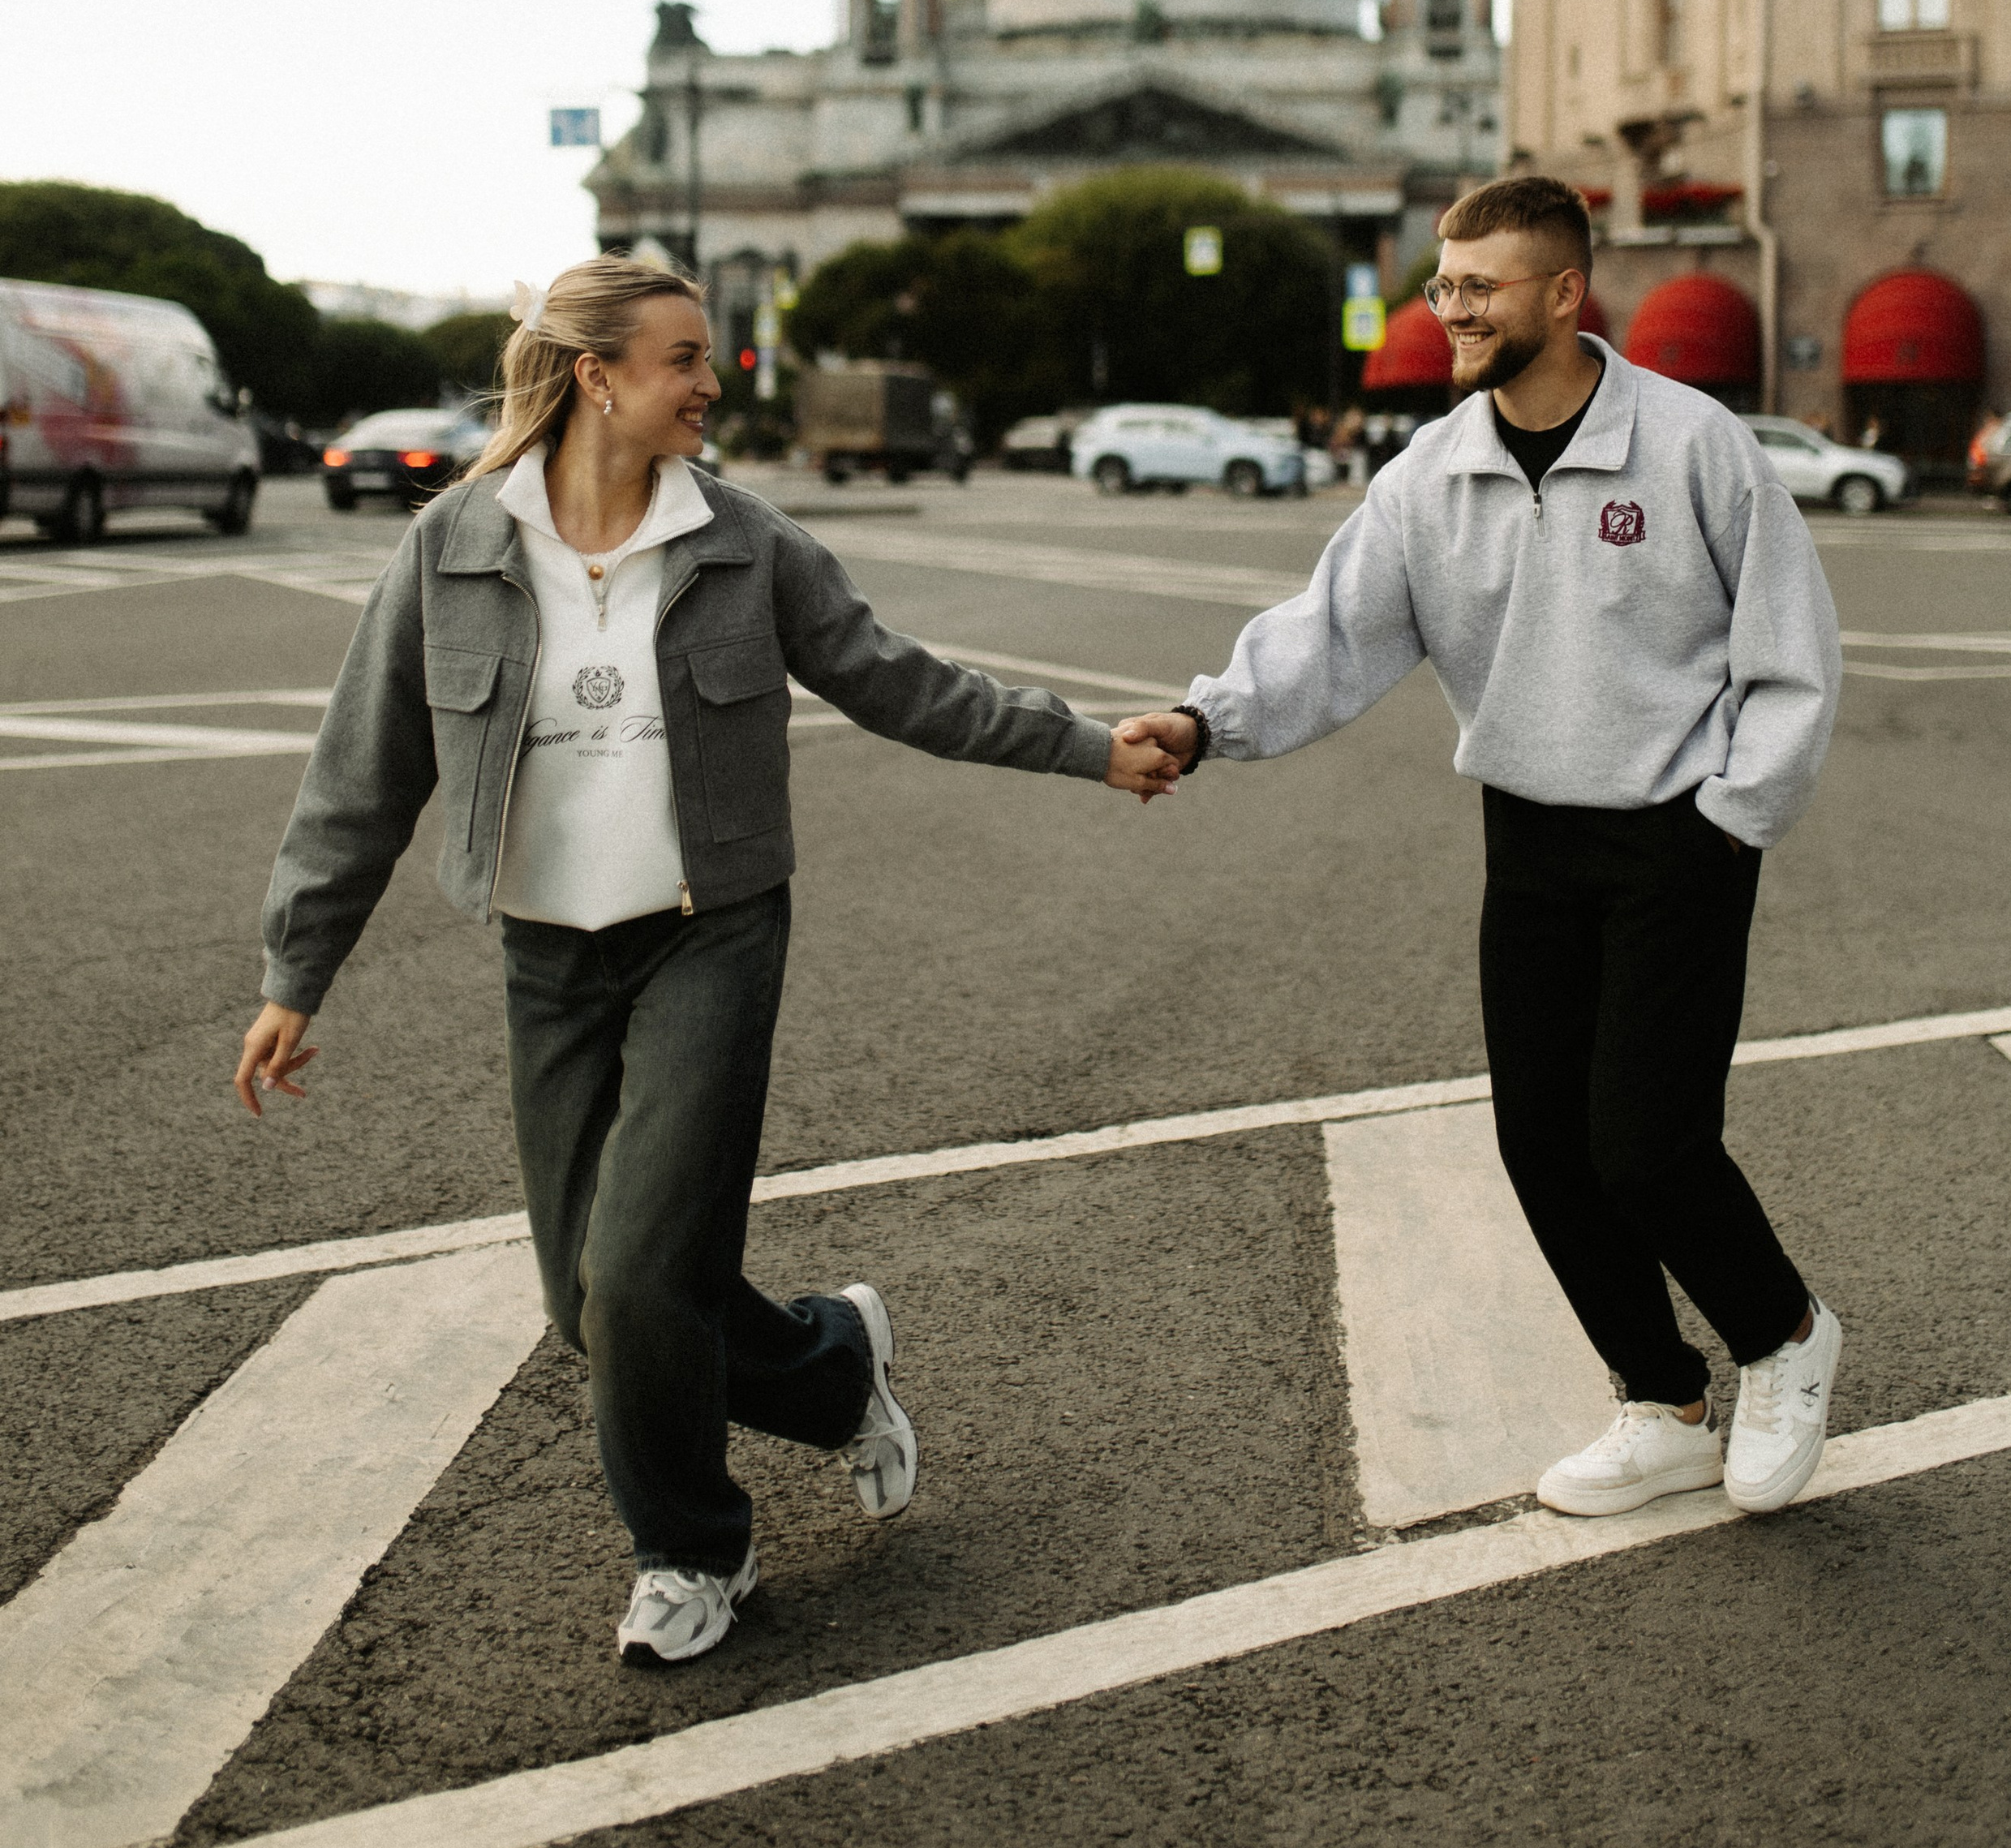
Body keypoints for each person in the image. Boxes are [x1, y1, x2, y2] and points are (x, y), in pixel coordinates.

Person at [236, 258, 1180, 1665]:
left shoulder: (743, 541)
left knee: (636, 1278)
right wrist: (294, 971)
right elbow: (361, 772)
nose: (711, 381)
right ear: (597, 375)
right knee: (588, 1300)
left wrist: (1085, 746)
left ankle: (692, 1553)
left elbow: (894, 677)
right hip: (549, 956)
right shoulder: (453, 546)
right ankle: (830, 1367)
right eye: (684, 358)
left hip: (710, 938)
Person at [1123, 177, 1846, 1521]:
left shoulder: (1692, 446)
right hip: (1531, 842)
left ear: (1564, 296)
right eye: (1441, 285)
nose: (1447, 308)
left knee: (1646, 1143)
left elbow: (1790, 651)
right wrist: (1204, 719)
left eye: (1478, 286)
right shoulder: (1431, 475)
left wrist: (1731, 816)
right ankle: (1664, 1403)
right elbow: (1328, 631)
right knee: (1541, 1144)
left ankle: (1784, 1338)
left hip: (1676, 837)